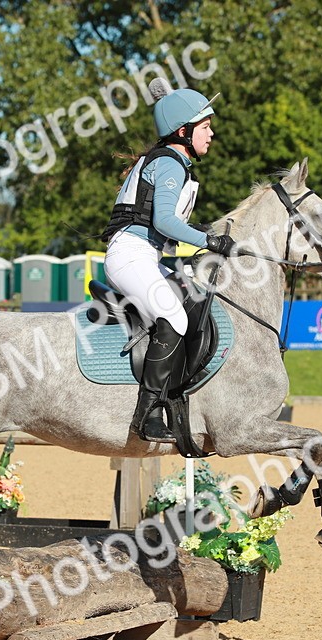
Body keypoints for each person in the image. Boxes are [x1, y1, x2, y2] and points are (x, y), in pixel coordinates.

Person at [101, 80, 235, 443]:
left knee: (193, 301)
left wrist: (201, 238)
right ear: (183, 130)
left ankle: (178, 397)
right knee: (173, 316)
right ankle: (146, 414)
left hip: (146, 255)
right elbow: (164, 222)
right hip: (130, 256)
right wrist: (208, 240)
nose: (212, 133)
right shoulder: (171, 164)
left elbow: (166, 230)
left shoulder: (174, 162)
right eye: (205, 127)